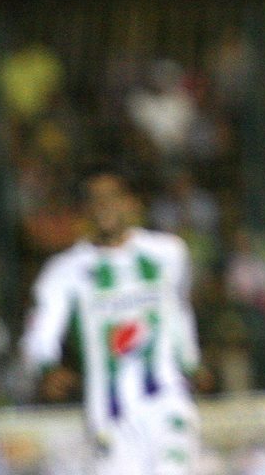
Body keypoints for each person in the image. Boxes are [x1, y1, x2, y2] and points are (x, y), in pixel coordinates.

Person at [21, 161, 204, 474]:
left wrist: (191, 362)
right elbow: (40, 332)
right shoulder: (64, 271)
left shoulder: (168, 253)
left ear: (131, 203)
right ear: (84, 210)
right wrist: (46, 367)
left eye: (113, 196)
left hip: (166, 397)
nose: (104, 206)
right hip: (109, 413)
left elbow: (178, 309)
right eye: (95, 199)